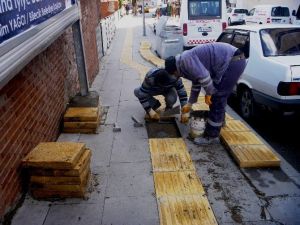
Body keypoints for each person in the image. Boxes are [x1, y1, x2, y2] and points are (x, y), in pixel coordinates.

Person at [164, 42, 247, 145]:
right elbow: (197, 82)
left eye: (174, 74)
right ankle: (220, 122)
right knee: (219, 96)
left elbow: (204, 77)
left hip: (233, 62)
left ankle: (211, 136)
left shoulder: (186, 60)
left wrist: (209, 92)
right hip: (232, 60)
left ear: (175, 70)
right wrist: (190, 104)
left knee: (217, 98)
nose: (176, 76)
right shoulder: (183, 63)